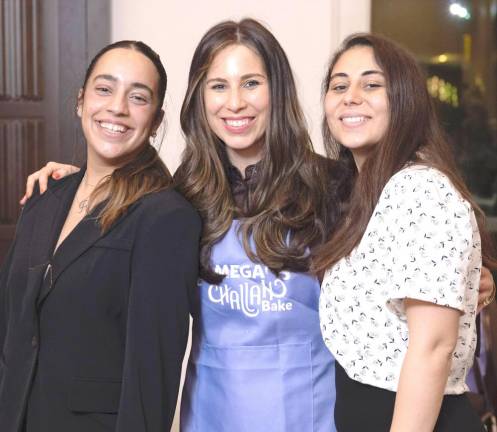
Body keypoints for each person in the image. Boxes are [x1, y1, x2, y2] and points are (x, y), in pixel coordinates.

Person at [17, 21, 496, 432]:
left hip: (315, 413)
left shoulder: (337, 186)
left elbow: (430, 251)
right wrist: (78, 181)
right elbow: (115, 220)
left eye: (252, 83)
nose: (235, 103)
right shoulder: (180, 197)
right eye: (218, 86)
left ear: (277, 90)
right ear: (200, 100)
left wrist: (480, 279)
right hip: (212, 411)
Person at [0, 40, 200, 432]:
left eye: (137, 97)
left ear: (156, 120)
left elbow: (151, 377)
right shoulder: (44, 197)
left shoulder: (166, 217)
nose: (117, 108)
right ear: (81, 101)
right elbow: (11, 326)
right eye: (104, 89)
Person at [315, 33, 497, 431]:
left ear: (404, 100)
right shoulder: (364, 194)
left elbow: (433, 347)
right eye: (339, 85)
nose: (351, 96)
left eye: (372, 84)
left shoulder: (419, 189)